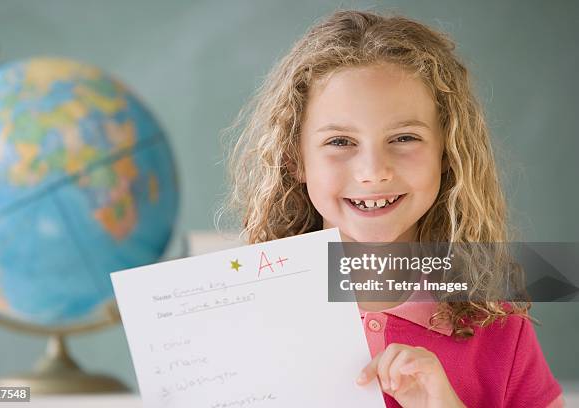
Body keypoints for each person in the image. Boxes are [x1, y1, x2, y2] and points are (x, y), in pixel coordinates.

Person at [221, 9, 564, 408]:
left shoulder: (497, 322)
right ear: (294, 158)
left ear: (447, 153)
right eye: (339, 142)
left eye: (404, 137)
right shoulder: (243, 315)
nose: (373, 172)